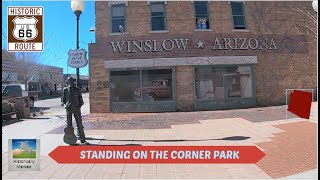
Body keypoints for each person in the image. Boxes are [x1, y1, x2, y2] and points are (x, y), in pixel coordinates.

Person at [61, 77, 89, 145]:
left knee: (79, 124)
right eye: (69, 81)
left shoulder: (78, 90)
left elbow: (81, 101)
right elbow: (62, 101)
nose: (70, 82)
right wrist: (65, 105)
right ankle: (70, 140)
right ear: (67, 82)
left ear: (73, 82)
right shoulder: (65, 90)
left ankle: (83, 139)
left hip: (76, 109)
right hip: (68, 109)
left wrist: (78, 106)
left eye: (71, 81)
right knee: (69, 125)